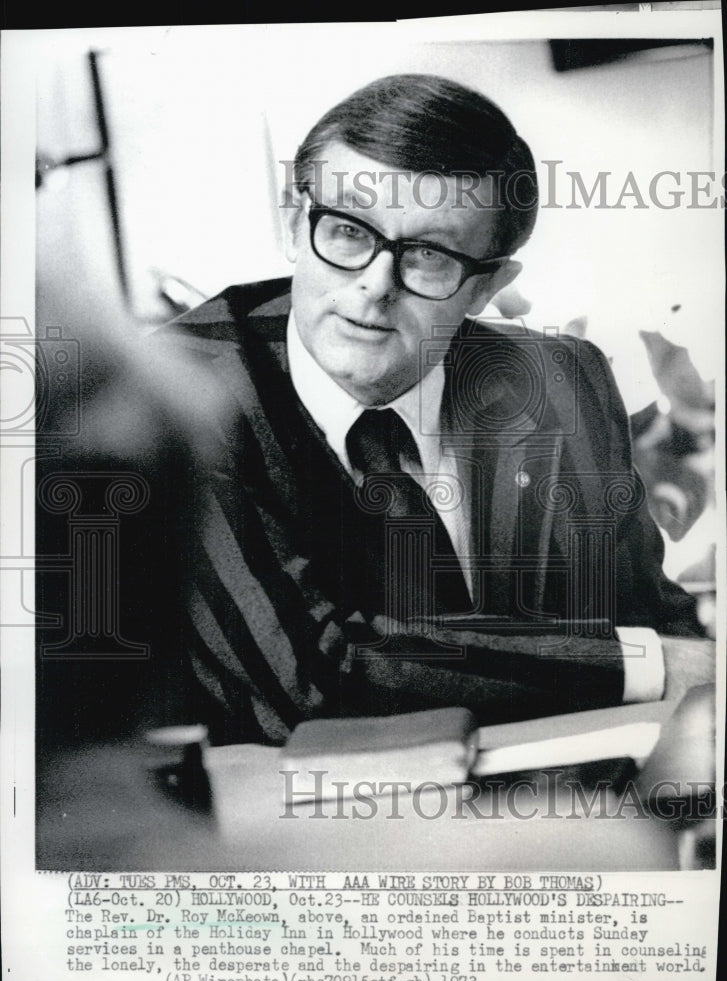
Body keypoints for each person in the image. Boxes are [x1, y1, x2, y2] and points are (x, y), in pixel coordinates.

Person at [148, 74, 712, 746]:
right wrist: (641, 665)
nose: (373, 287)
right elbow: (314, 670)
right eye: (349, 231)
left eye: (427, 255)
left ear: (487, 286)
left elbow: (650, 612)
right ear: (297, 223)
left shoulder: (561, 379)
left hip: (569, 798)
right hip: (289, 832)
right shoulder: (176, 395)